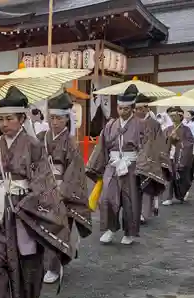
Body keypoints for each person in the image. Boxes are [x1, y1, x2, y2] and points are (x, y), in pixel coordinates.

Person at [0, 86, 72, 298]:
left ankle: (27, 297)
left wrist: (28, 204)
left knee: (26, 258)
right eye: (0, 119)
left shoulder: (34, 145)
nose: (3, 123)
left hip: (23, 210)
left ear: (22, 119)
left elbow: (43, 181)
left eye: (9, 119)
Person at [37, 92, 92, 285]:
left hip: (61, 189)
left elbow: (75, 171)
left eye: (58, 118)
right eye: (52, 118)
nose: (54, 122)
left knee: (58, 226)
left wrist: (62, 191)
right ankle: (46, 262)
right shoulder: (41, 137)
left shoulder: (70, 143)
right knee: (40, 225)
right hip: (42, 187)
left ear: (66, 118)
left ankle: (54, 266)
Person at [86, 84, 144, 245]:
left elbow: (145, 148)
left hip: (131, 165)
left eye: (126, 109)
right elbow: (102, 147)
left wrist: (141, 166)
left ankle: (129, 232)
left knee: (130, 199)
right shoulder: (110, 125)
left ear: (132, 108)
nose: (122, 112)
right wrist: (97, 166)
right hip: (112, 164)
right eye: (120, 108)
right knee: (106, 198)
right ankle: (111, 229)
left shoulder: (140, 125)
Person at [133, 94, 170, 224]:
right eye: (136, 109)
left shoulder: (154, 124)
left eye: (141, 109)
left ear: (146, 108)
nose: (138, 111)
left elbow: (159, 142)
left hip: (150, 159)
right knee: (134, 187)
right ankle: (135, 212)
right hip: (133, 158)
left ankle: (144, 213)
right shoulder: (133, 122)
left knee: (146, 185)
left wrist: (156, 157)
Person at [161, 106, 194, 205]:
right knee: (168, 176)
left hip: (180, 156)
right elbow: (162, 141)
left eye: (174, 115)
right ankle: (168, 197)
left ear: (180, 116)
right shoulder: (168, 129)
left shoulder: (186, 129)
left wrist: (178, 139)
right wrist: (169, 139)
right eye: (171, 116)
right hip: (170, 156)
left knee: (182, 177)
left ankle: (182, 194)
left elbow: (190, 143)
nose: (172, 118)